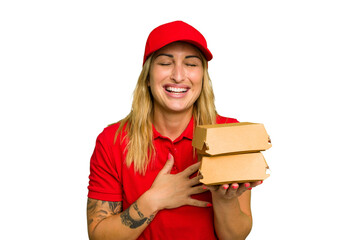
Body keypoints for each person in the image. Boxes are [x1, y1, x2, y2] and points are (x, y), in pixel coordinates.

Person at [87, 20, 263, 240]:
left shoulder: (229, 133)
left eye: (191, 64)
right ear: (148, 77)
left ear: (203, 78)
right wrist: (153, 200)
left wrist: (224, 200)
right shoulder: (112, 141)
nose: (179, 76)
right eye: (165, 63)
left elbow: (235, 237)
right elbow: (98, 236)